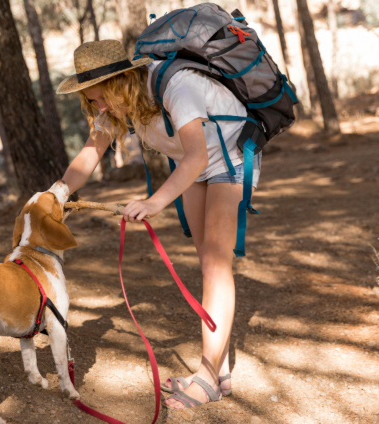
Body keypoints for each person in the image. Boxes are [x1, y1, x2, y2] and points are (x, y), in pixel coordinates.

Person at [55, 40, 261, 410]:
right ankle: (222, 369)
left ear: (120, 83)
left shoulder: (177, 87)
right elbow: (90, 152)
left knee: (217, 264)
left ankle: (208, 377)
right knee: (207, 263)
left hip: (229, 156)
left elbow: (198, 154)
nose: (97, 107)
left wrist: (154, 202)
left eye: (98, 98)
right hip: (195, 165)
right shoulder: (116, 105)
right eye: (90, 101)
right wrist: (57, 192)